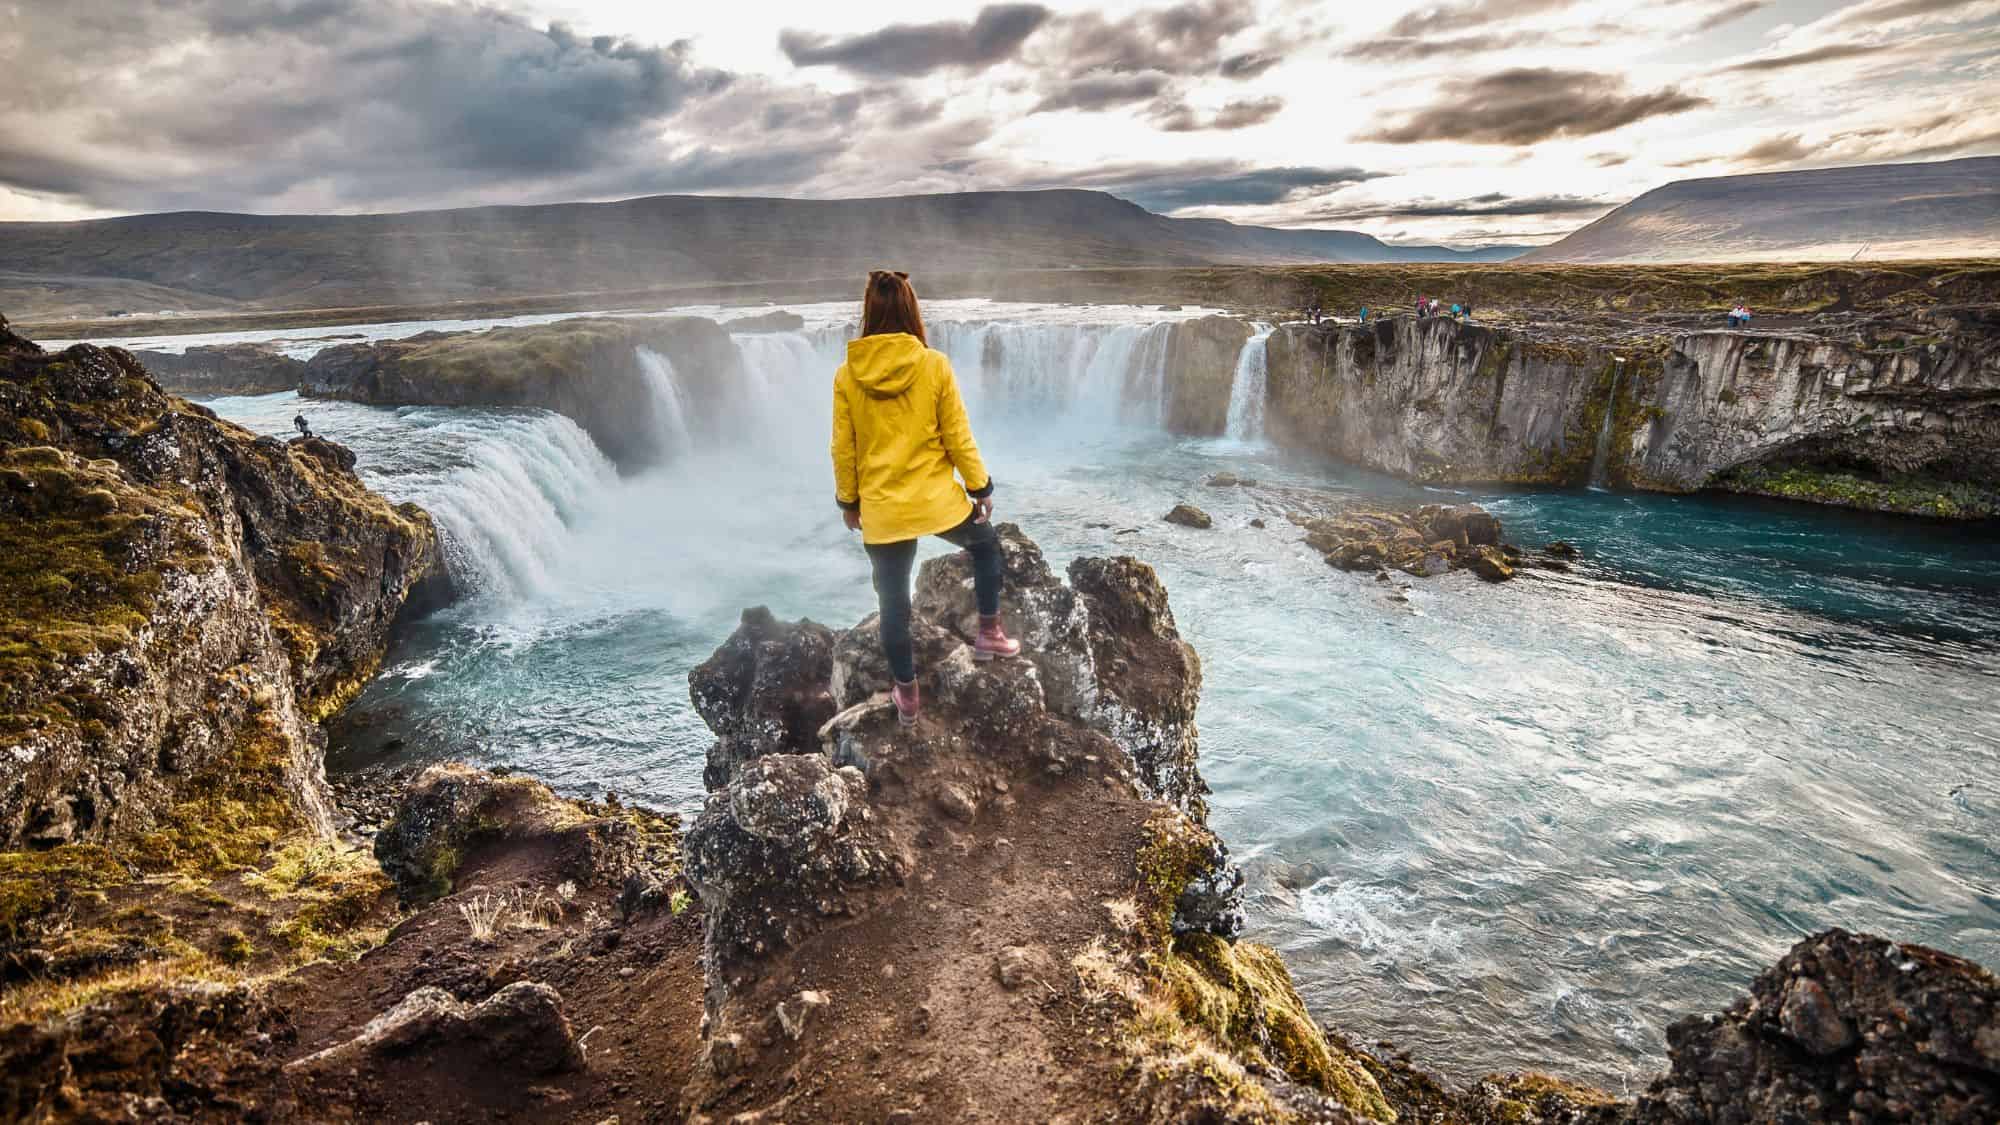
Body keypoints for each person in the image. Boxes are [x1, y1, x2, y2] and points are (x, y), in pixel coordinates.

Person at [832, 270, 1020, 727]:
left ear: (868, 314)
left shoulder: (847, 376)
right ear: (912, 311)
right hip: (937, 501)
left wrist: (849, 503)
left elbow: (844, 448)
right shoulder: (933, 365)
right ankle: (990, 634)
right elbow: (957, 435)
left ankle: (907, 696)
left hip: (881, 507)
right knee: (985, 544)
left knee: (893, 603)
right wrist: (980, 488)